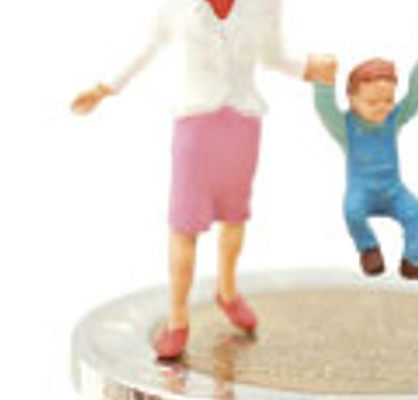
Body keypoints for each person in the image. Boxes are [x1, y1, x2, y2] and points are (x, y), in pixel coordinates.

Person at [71, 0, 335, 359]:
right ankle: (177, 318)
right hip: (196, 123)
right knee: (185, 224)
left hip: (242, 120)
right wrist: (105, 87)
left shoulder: (266, 5)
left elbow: (273, 57)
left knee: (235, 216)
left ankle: (227, 291)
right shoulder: (176, 7)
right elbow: (147, 48)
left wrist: (308, 68)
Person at [311, 44, 418, 280]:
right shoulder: (345, 128)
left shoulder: (393, 120)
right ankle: (368, 248)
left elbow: (415, 98)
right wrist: (324, 80)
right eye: (372, 102)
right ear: (352, 99)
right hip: (361, 192)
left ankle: (414, 259)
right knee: (352, 213)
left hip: (393, 191)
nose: (383, 107)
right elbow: (326, 110)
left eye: (388, 100)